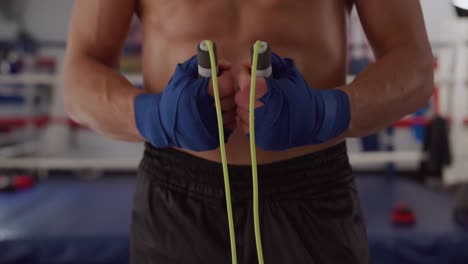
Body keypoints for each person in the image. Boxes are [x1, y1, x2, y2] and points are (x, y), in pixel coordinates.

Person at [63, 0, 433, 263]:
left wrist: (324, 113)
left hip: (312, 191)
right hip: (177, 195)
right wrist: (156, 117)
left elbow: (414, 66)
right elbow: (79, 77)